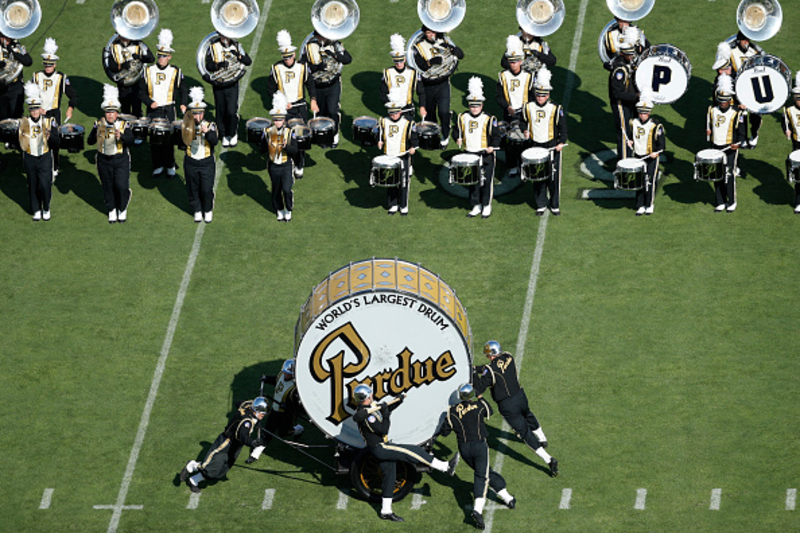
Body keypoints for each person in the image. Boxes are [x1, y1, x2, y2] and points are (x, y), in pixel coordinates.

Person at [351, 384, 459, 522]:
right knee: (414, 451)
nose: (372, 395)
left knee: (390, 478)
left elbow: (386, 408)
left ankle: (385, 511)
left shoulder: (370, 408)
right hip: (381, 448)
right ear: (368, 395)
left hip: (382, 446)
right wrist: (384, 413)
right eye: (370, 393)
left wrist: (398, 400)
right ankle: (445, 467)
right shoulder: (366, 416)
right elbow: (383, 429)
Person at [473, 340, 558, 478]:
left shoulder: (490, 371)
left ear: (491, 355)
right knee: (528, 414)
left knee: (525, 433)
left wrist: (473, 375)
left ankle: (548, 459)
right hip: (520, 395)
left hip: (507, 405)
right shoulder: (508, 356)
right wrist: (478, 368)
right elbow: (493, 367)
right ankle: (542, 438)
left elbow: (479, 387)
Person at [439, 383, 516, 531]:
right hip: (479, 446)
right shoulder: (479, 406)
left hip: (464, 449)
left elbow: (444, 432)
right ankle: (478, 510)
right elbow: (490, 410)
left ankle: (508, 498)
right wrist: (480, 396)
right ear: (472, 394)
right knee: (482, 476)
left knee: (487, 472)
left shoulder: (452, 411)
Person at [179, 397, 268, 493]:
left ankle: (193, 480)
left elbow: (239, 403)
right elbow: (243, 435)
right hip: (226, 443)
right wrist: (252, 442)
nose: (264, 415)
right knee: (210, 468)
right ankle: (192, 465)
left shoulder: (248, 405)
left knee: (222, 470)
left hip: (236, 446)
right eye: (262, 413)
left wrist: (257, 421)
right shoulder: (246, 422)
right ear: (255, 410)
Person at [267, 30, 317, 179]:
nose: (288, 59)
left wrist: (313, 99)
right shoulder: (276, 68)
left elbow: (310, 84)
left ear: (294, 55)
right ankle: (288, 161)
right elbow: (270, 89)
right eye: (285, 57)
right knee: (286, 137)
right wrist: (281, 102)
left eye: (290, 57)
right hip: (284, 109)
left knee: (300, 137)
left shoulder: (302, 67)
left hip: (300, 106)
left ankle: (300, 163)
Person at [138, 29, 188, 178]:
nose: (161, 58)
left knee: (168, 139)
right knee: (154, 139)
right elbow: (141, 92)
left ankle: (170, 164)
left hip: (168, 109)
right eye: (159, 55)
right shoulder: (148, 70)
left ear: (169, 57)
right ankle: (157, 165)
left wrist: (183, 104)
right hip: (154, 109)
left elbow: (183, 89)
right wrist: (149, 102)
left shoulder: (175, 71)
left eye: (164, 56)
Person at [521, 66, 567, 216]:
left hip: (551, 145)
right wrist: (524, 129)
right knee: (538, 177)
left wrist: (561, 142)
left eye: (543, 95)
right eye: (538, 95)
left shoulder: (555, 108)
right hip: (535, 145)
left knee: (553, 178)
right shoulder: (528, 106)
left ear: (548, 95)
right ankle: (540, 204)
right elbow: (522, 121)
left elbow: (563, 128)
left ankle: (554, 205)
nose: (540, 98)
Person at [87, 85, 135, 223]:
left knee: (120, 185)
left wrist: (123, 137)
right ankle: (111, 209)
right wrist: (95, 132)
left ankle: (122, 207)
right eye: (108, 112)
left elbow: (132, 141)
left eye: (113, 112)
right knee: (107, 186)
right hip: (103, 159)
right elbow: (89, 142)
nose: (110, 115)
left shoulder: (124, 125)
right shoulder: (98, 124)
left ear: (117, 113)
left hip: (120, 159)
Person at [454, 77, 501, 219]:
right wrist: (457, 137)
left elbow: (496, 136)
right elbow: (456, 130)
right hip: (469, 153)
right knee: (472, 180)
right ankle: (475, 205)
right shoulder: (462, 117)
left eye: (477, 106)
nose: (474, 108)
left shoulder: (489, 118)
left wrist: (492, 147)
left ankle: (486, 205)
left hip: (485, 154)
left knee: (486, 181)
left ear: (481, 106)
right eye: (472, 106)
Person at [413, 25, 464, 149]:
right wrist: (431, 62)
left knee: (444, 112)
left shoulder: (444, 41)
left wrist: (454, 50)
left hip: (443, 83)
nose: (432, 35)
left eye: (433, 32)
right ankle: (433, 137)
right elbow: (419, 66)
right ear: (424, 33)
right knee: (430, 114)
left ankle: (445, 137)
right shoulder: (418, 47)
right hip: (428, 84)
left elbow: (460, 55)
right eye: (429, 32)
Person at [32, 38, 77, 177]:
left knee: (54, 141)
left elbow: (73, 95)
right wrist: (37, 108)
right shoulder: (36, 76)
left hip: (53, 113)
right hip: (38, 113)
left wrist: (70, 108)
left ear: (55, 64)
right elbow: (30, 95)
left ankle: (54, 166)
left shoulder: (61, 77)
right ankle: (38, 165)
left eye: (50, 65)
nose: (48, 67)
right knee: (37, 140)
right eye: (46, 65)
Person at [246, 359, 306, 464]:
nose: (286, 374)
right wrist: (266, 379)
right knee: (267, 432)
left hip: (287, 414)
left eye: (289, 373)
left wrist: (287, 405)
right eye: (286, 372)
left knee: (284, 433)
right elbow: (277, 381)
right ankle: (255, 454)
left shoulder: (296, 387)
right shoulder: (281, 374)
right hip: (275, 410)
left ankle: (299, 429)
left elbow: (299, 407)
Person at [302, 30, 352, 148]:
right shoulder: (309, 46)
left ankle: (334, 135)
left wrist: (334, 55)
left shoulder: (335, 44)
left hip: (333, 83)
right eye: (320, 35)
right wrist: (317, 66)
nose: (323, 38)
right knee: (321, 111)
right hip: (317, 84)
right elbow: (303, 66)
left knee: (332, 111)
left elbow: (348, 59)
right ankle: (322, 137)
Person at [19, 82, 59, 221]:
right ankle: (36, 209)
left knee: (45, 184)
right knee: (33, 183)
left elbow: (57, 142)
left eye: (36, 109)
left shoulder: (49, 121)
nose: (34, 112)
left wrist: (50, 137)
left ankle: (46, 207)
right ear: (29, 110)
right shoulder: (23, 122)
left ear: (40, 109)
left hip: (45, 156)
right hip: (30, 156)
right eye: (32, 109)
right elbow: (20, 143)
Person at [496, 35, 535, 177]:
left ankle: (525, 164)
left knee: (526, 139)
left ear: (521, 61)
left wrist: (527, 110)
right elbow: (498, 96)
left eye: (516, 61)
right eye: (511, 61)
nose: (513, 64)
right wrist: (507, 107)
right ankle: (512, 166)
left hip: (525, 112)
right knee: (510, 141)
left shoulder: (529, 76)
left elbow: (532, 96)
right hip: (509, 112)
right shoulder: (503, 76)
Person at [705, 74, 745, 213]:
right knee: (717, 175)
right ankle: (720, 202)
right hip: (716, 147)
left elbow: (741, 131)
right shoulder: (712, 110)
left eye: (725, 101)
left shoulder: (736, 112)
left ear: (730, 100)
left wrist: (738, 143)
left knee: (729, 175)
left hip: (729, 147)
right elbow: (709, 126)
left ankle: (731, 201)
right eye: (720, 100)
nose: (722, 103)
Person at [204, 32, 251, 147]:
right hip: (219, 84)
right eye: (222, 35)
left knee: (231, 111)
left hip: (232, 84)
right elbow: (208, 66)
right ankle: (224, 134)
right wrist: (218, 65)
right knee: (220, 112)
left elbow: (248, 61)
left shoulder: (237, 46)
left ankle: (233, 133)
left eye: (226, 35)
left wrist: (239, 56)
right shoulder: (213, 47)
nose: (224, 38)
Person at [378, 87, 418, 215]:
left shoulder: (408, 123)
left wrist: (413, 147)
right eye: (391, 113)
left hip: (403, 155)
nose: (394, 115)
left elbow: (415, 138)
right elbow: (380, 134)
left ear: (400, 111)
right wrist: (379, 141)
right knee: (390, 181)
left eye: (396, 113)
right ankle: (393, 204)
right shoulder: (383, 121)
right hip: (389, 155)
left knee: (404, 181)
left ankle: (403, 205)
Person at [260, 91, 299, 221]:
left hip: (286, 165)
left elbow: (295, 149)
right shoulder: (267, 132)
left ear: (284, 119)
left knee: (286, 189)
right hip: (273, 165)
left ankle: (288, 208)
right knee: (276, 189)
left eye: (280, 119)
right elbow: (261, 150)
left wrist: (285, 146)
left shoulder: (289, 132)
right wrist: (266, 142)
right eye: (276, 120)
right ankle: (279, 209)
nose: (278, 122)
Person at [183, 87, 218, 223]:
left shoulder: (211, 125)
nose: (197, 116)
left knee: (206, 188)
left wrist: (207, 133)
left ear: (203, 114)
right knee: (192, 187)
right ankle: (197, 209)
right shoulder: (186, 125)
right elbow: (181, 143)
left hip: (206, 162)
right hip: (191, 160)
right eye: (195, 114)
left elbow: (215, 141)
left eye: (200, 114)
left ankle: (207, 209)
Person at [626, 93, 664, 216]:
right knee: (639, 181)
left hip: (650, 157)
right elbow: (634, 135)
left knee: (650, 181)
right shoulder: (634, 122)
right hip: (638, 156)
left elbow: (662, 145)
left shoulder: (656, 125)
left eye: (644, 113)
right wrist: (630, 141)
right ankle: (640, 205)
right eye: (640, 113)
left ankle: (649, 204)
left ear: (649, 113)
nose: (642, 115)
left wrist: (656, 153)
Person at [608, 26, 640, 163]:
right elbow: (617, 93)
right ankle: (625, 164)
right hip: (621, 105)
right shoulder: (619, 70)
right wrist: (636, 97)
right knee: (625, 135)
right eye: (629, 55)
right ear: (622, 54)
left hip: (630, 103)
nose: (632, 57)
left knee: (634, 131)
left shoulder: (628, 63)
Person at [106, 34, 155, 120]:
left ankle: (137, 131)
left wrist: (140, 57)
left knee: (137, 107)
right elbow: (111, 66)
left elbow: (151, 59)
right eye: (122, 36)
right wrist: (122, 66)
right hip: (123, 82)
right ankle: (126, 130)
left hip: (137, 81)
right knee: (125, 109)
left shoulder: (139, 44)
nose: (125, 38)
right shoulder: (114, 46)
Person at [728, 32, 761, 148]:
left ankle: (754, 134)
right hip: (738, 86)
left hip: (753, 86)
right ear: (739, 40)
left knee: (756, 115)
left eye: (748, 40)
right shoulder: (731, 52)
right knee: (741, 115)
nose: (746, 43)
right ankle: (742, 138)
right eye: (744, 40)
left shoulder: (755, 52)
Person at [380, 34, 420, 122]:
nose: (398, 64)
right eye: (396, 61)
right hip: (393, 111)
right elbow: (383, 92)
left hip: (407, 108)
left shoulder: (412, 72)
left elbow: (421, 92)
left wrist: (422, 106)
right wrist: (392, 107)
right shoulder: (388, 72)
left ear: (405, 59)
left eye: (401, 60)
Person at [0, 31, 33, 121]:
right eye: (2, 37)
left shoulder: (17, 47)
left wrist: (14, 52)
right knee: (2, 116)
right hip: (1, 87)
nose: (5, 39)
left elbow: (28, 61)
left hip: (15, 87)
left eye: (7, 36)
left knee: (16, 114)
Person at [781, 76, 800, 214]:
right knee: (799, 177)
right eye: (797, 99)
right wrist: (786, 130)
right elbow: (785, 124)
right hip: (797, 145)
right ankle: (799, 202)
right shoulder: (788, 110)